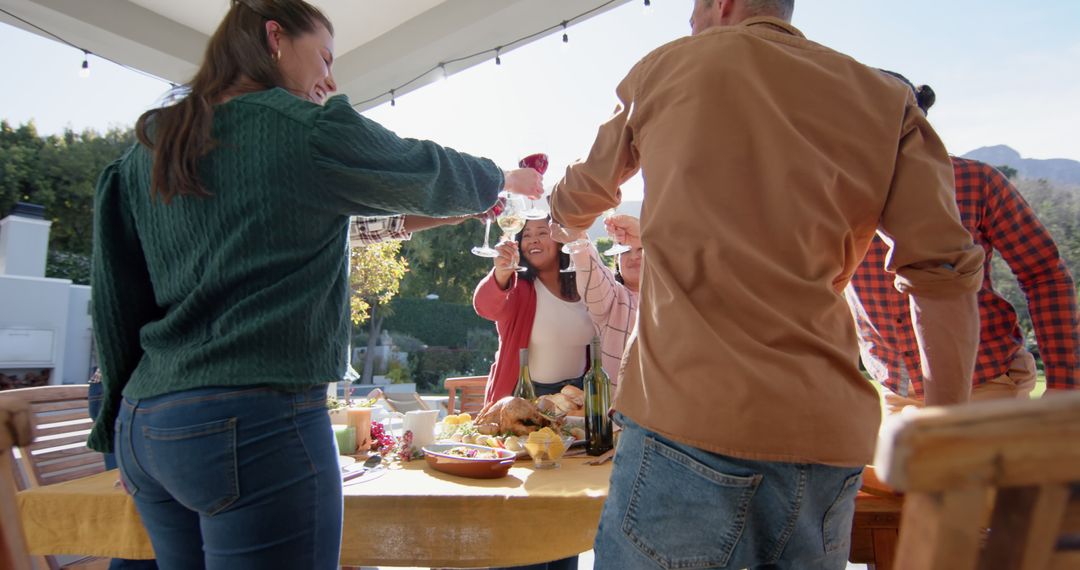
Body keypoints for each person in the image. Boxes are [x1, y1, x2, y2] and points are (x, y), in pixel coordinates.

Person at [87, 1, 541, 568]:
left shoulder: (146, 151)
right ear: (275, 38)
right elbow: (421, 168)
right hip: (252, 421)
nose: (330, 77)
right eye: (324, 57)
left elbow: (114, 302)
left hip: (146, 425)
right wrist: (501, 178)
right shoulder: (302, 128)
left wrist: (114, 431)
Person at [549, 1, 985, 568]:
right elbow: (944, 275)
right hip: (827, 441)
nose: (690, 23)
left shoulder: (665, 67)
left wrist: (552, 205)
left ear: (723, 4)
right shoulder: (885, 99)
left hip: (690, 421)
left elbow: (576, 202)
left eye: (695, 10)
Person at [846, 73, 1079, 413]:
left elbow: (1043, 273)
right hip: (898, 393)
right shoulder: (834, 193)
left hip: (988, 383)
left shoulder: (975, 181)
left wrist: (1063, 383)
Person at [474, 218, 593, 403]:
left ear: (560, 241)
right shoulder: (518, 287)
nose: (533, 240)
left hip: (578, 396)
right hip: (529, 398)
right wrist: (499, 274)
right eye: (527, 234)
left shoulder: (582, 285)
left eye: (542, 233)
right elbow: (485, 307)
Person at [554, 214, 642, 383]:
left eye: (641, 249)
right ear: (616, 261)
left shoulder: (671, 297)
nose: (633, 257)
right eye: (625, 251)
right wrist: (578, 238)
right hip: (621, 406)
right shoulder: (614, 298)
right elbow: (592, 275)